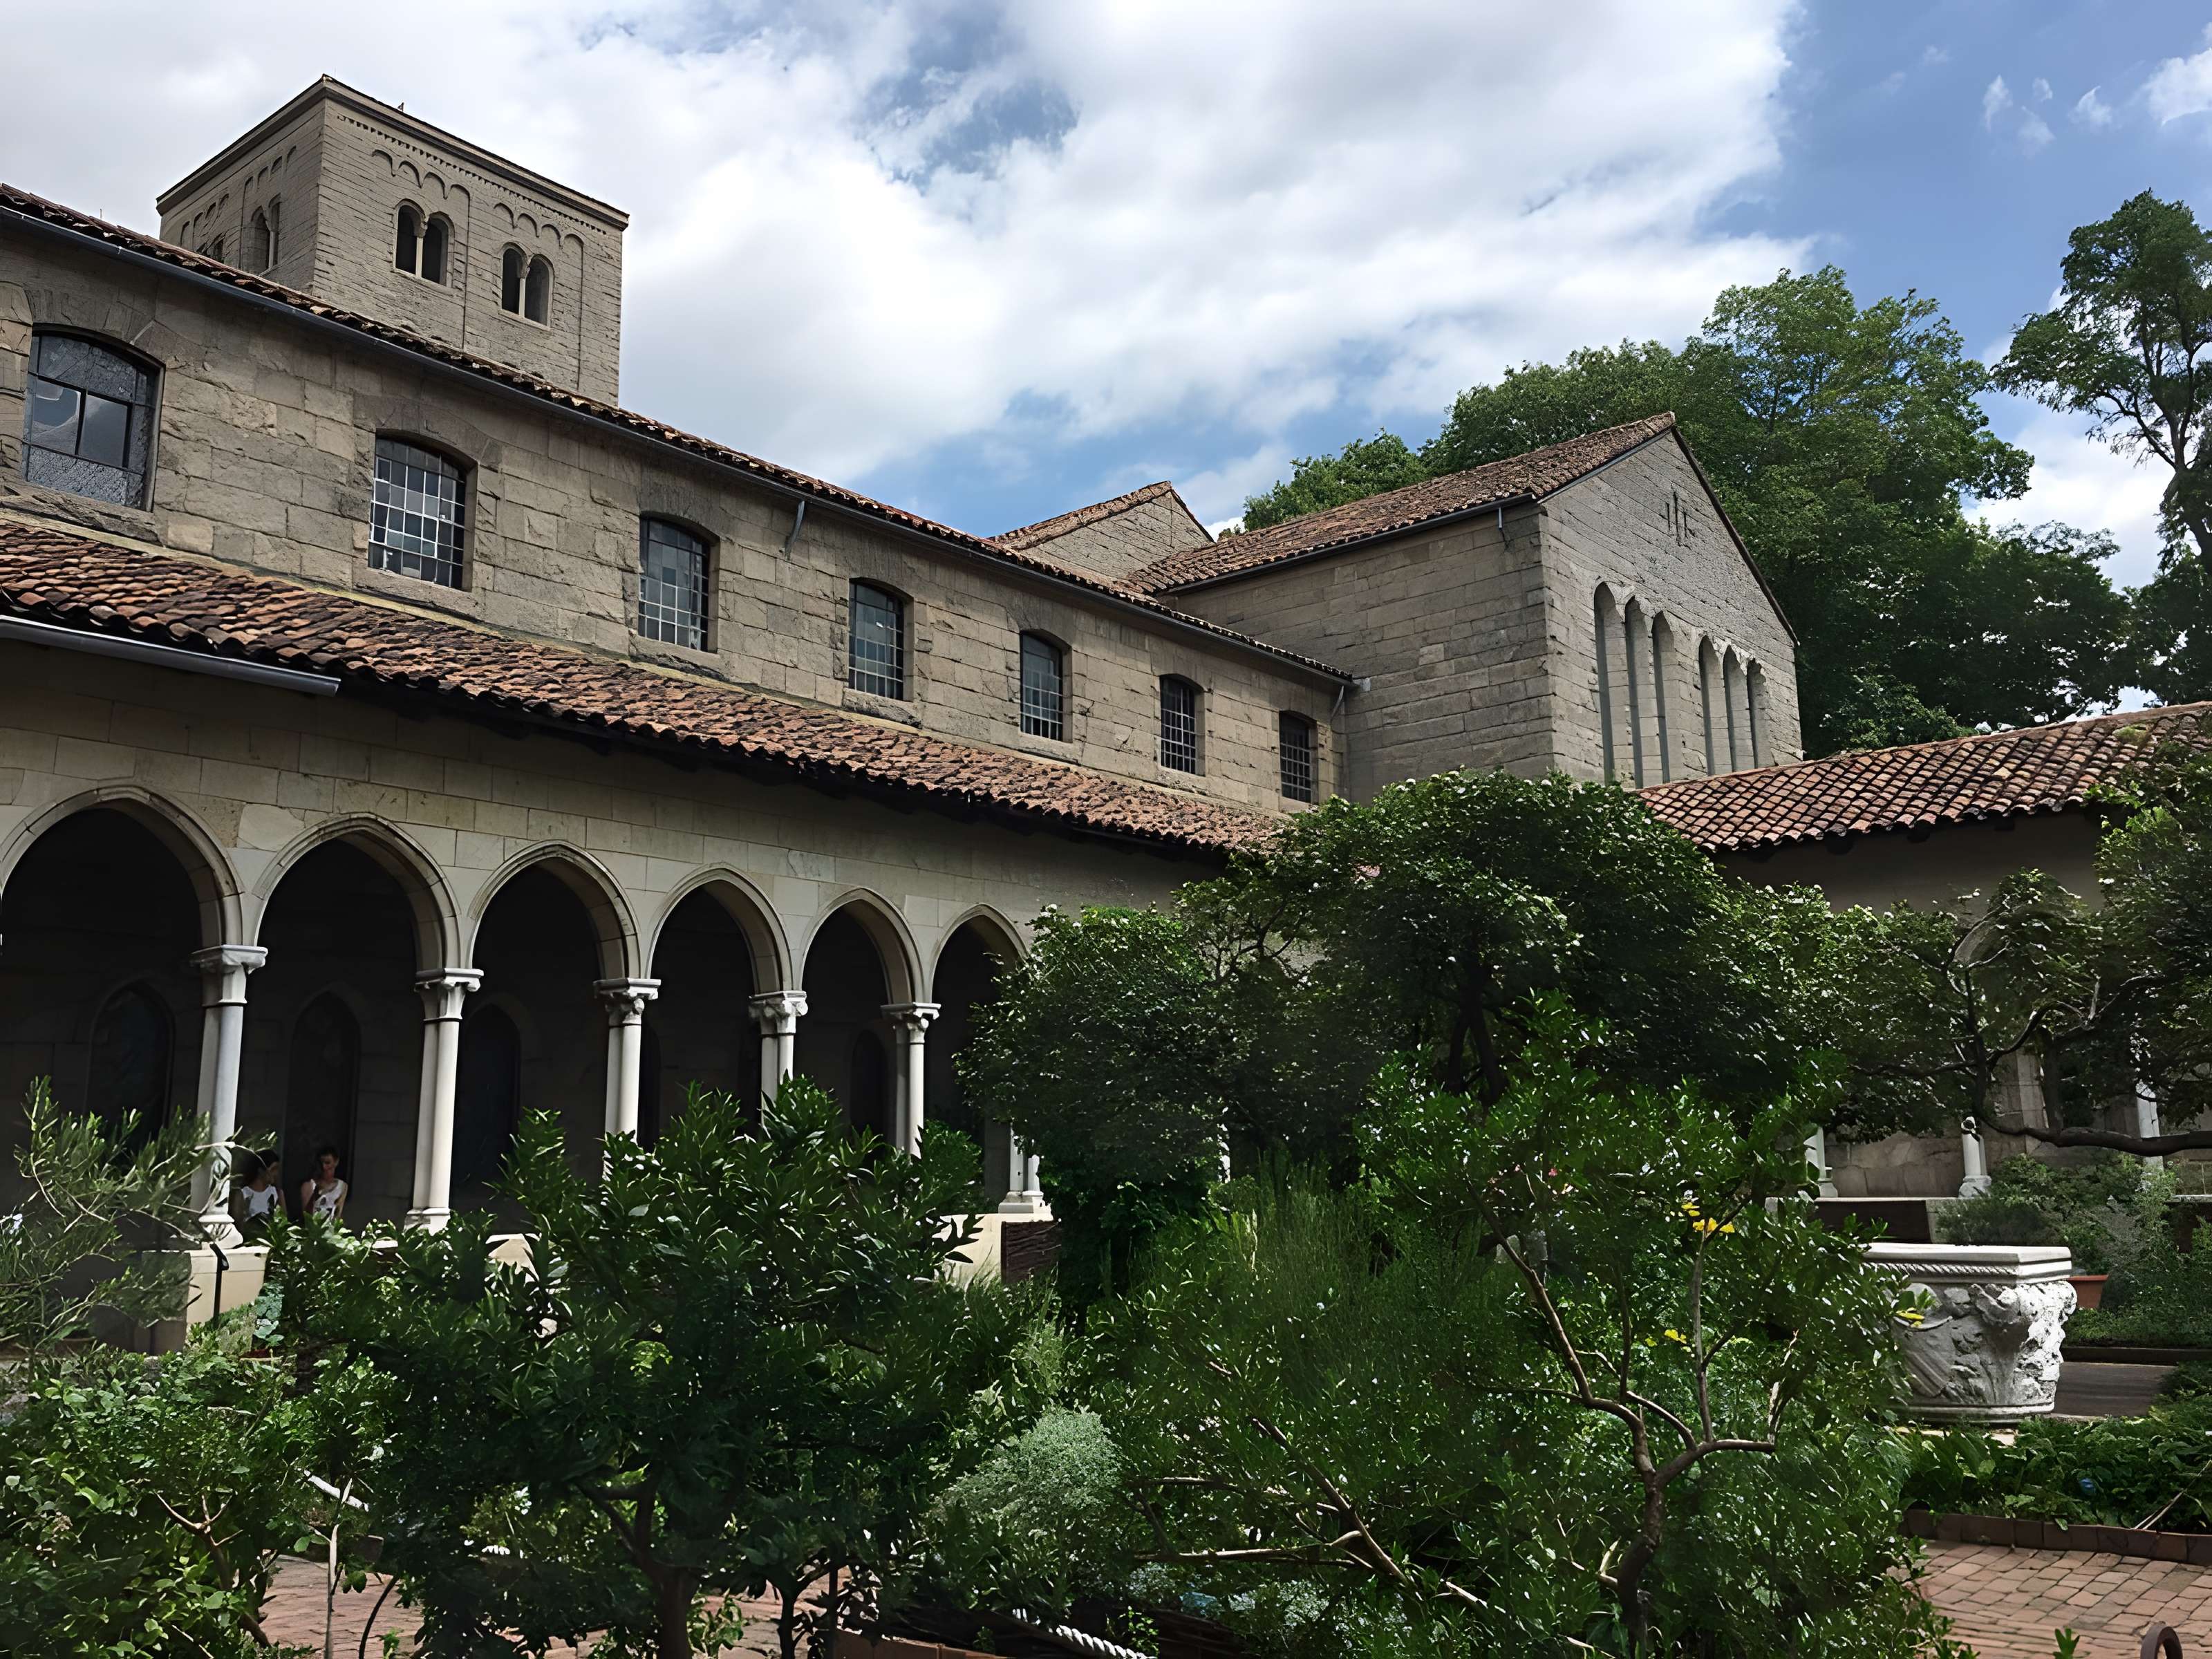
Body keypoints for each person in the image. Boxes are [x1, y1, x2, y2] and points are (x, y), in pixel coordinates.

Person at [234, 1154, 283, 1237]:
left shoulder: (275, 1193)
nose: (276, 1173)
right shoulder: (244, 1193)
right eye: (273, 1169)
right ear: (261, 1171)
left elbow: (283, 1219)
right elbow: (239, 1225)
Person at [300, 1145, 348, 1224]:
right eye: (321, 1163)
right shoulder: (309, 1185)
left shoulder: (342, 1186)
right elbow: (307, 1218)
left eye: (328, 1163)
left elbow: (338, 1214)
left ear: (336, 1162)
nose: (324, 1167)